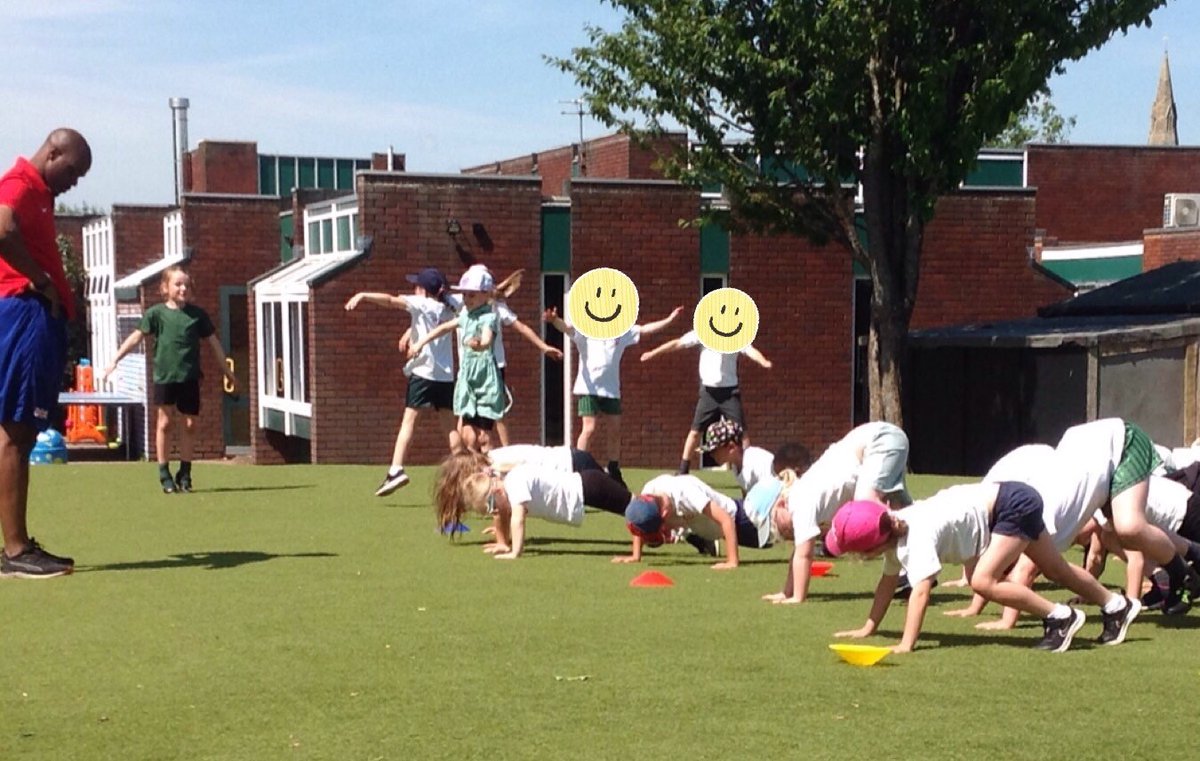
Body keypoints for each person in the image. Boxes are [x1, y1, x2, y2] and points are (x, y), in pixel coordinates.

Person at [829, 483, 1140, 654]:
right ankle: (1115, 605)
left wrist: (906, 644)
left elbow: (921, 591)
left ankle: (1061, 617)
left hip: (1011, 505)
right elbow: (887, 584)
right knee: (1056, 569)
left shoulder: (916, 533)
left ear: (871, 547)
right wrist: (869, 627)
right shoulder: (896, 532)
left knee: (982, 581)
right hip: (1014, 498)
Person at [0, 128, 91, 577]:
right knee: (16, 431)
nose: (73, 182)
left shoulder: (41, 196)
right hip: (24, 313)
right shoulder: (19, 184)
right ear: (52, 153)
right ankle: (15, 552)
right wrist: (40, 281)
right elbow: (1, 228)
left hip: (35, 316)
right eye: (72, 171)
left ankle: (18, 546)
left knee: (23, 432)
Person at [103, 266, 236, 493]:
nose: (183, 288)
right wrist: (115, 359)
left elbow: (214, 344)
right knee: (164, 423)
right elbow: (136, 337)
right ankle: (164, 472)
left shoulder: (198, 315)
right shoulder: (156, 314)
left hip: (190, 378)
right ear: (166, 288)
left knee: (190, 424)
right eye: (178, 284)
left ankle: (185, 473)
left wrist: (228, 372)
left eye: (186, 284)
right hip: (165, 377)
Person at [753, 422, 911, 604]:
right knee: (906, 512)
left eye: (774, 525)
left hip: (879, 441)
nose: (778, 533)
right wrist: (786, 592)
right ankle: (914, 567)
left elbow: (804, 555)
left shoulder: (799, 500)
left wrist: (798, 596)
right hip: (878, 443)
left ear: (780, 503)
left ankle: (903, 562)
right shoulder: (800, 495)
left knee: (866, 506)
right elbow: (798, 553)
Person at [345, 267, 462, 496]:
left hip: (423, 374)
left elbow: (390, 300)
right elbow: (433, 321)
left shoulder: (420, 304)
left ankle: (396, 470)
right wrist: (410, 331)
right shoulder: (450, 305)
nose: (413, 289)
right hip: (445, 377)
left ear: (423, 290)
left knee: (408, 422)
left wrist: (363, 295)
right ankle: (463, 470)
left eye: (416, 286)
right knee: (449, 426)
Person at [543, 304, 682, 484]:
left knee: (615, 429)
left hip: (611, 389)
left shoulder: (621, 333)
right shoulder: (585, 332)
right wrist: (555, 320)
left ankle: (614, 469)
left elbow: (645, 329)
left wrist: (669, 320)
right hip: (588, 389)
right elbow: (568, 329)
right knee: (590, 428)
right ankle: (576, 469)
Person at [436, 455, 631, 560]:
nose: (494, 511)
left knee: (635, 509)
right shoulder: (509, 486)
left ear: (496, 489)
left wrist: (515, 552)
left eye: (491, 505)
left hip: (588, 487)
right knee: (633, 511)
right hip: (585, 489)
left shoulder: (514, 483)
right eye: (489, 511)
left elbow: (518, 519)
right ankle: (657, 527)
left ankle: (659, 512)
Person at [639, 327, 771, 474]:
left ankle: (747, 471)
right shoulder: (703, 332)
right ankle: (683, 470)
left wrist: (763, 361)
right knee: (695, 431)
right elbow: (677, 343)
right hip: (709, 393)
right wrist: (653, 353)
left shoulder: (736, 336)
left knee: (742, 434)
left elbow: (751, 351)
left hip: (730, 392)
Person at [411, 267, 506, 452]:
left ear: (485, 295)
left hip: (484, 380)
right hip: (467, 378)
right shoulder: (465, 315)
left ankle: (493, 474)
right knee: (467, 435)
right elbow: (444, 328)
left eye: (471, 295)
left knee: (483, 437)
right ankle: (476, 473)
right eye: (464, 295)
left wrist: (480, 343)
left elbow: (487, 339)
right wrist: (420, 342)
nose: (466, 299)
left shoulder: (490, 317)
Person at [618, 472, 773, 570]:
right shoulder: (648, 494)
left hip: (743, 520)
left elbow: (726, 519)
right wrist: (635, 556)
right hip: (718, 531)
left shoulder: (686, 494)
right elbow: (641, 516)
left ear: (664, 514)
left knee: (780, 535)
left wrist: (732, 561)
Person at [696, 417, 775, 496]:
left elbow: (773, 495)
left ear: (731, 447)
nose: (711, 455)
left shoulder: (759, 462)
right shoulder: (735, 467)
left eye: (714, 450)